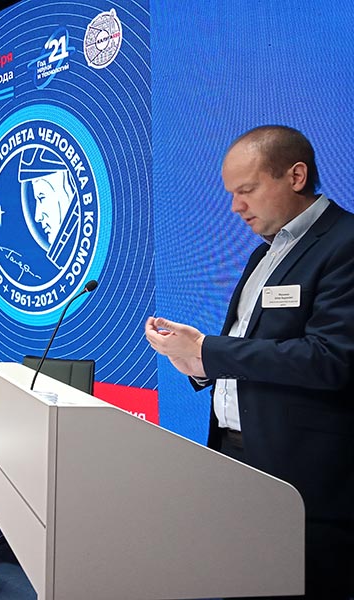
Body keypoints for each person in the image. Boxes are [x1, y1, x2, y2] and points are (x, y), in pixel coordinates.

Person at [144, 125, 354, 599]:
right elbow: (252, 344)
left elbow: (330, 358)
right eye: (231, 193)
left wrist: (209, 350)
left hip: (304, 476)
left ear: (296, 176)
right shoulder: (265, 253)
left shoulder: (345, 243)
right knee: (241, 583)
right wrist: (197, 363)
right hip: (237, 457)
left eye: (247, 190)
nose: (236, 207)